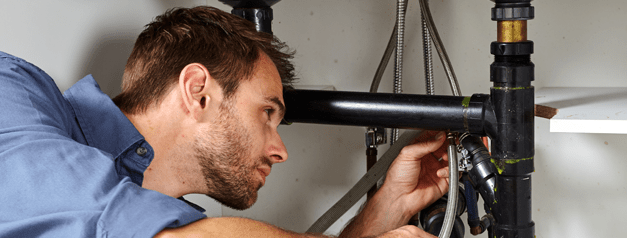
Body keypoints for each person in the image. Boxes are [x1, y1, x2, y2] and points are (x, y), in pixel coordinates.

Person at [0, 6, 450, 238]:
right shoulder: (13, 93)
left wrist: (384, 210)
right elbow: (108, 222)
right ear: (197, 91)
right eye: (268, 113)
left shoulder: (177, 219)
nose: (281, 150)